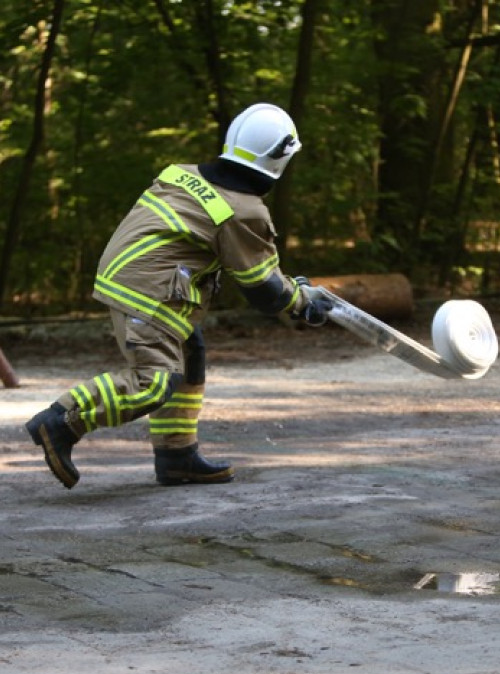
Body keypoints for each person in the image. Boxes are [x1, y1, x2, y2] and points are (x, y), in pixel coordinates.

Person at [25, 103, 333, 489]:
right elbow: (263, 291)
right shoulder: (241, 210)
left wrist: (290, 286)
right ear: (281, 157)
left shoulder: (182, 175)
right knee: (154, 383)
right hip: (148, 291)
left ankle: (176, 456)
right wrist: (303, 304)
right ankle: (61, 421)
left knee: (191, 352)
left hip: (130, 275)